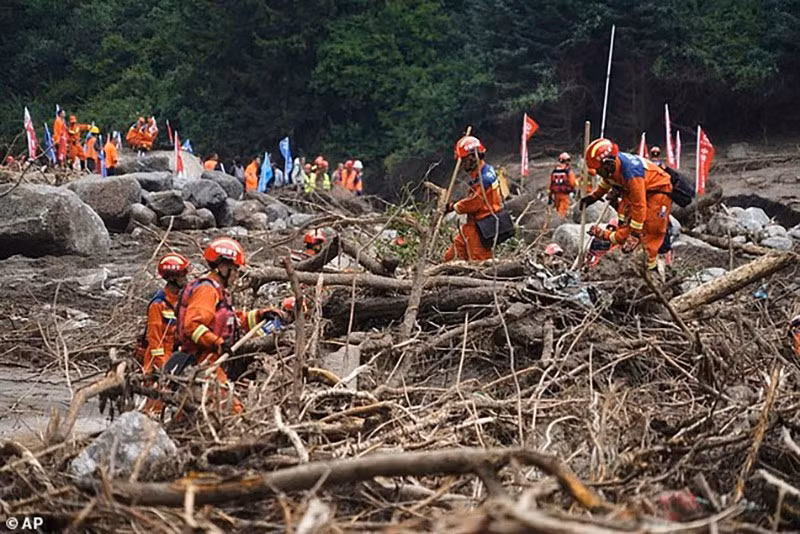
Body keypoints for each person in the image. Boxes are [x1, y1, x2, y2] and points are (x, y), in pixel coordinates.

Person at [174, 238, 289, 412]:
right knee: (233, 410)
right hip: (202, 362)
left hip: (214, 360)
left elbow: (232, 320)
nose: (237, 275)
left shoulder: (220, 292)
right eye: (235, 270)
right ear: (222, 267)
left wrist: (260, 315)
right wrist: (217, 342)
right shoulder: (206, 290)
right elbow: (193, 326)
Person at [579, 138, 672, 271]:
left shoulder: (632, 174)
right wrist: (594, 196)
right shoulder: (612, 167)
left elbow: (639, 205)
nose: (599, 174)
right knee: (625, 216)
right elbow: (607, 181)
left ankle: (650, 269)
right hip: (639, 190)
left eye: (599, 170)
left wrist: (634, 235)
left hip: (658, 191)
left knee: (650, 229)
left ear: (608, 164)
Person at [443, 135, 504, 262]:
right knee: (451, 257)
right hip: (471, 225)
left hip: (481, 226)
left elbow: (474, 203)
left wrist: (453, 207)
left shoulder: (484, 179)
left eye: (464, 161)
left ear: (472, 158)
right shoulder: (483, 172)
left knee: (479, 262)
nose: (462, 165)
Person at [137, 254, 191, 374]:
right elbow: (155, 341)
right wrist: (163, 367)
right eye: (182, 275)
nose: (186, 279)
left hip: (177, 354)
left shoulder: (182, 300)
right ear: (172, 278)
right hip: (158, 360)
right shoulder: (158, 305)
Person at [549, 152, 577, 216]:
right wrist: (573, 190)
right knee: (562, 211)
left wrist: (550, 195)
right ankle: (560, 223)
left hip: (556, 194)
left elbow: (551, 183)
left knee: (557, 209)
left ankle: (556, 221)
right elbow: (572, 182)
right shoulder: (568, 171)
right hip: (565, 194)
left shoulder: (554, 171)